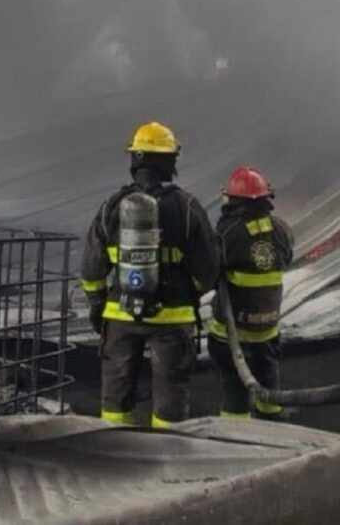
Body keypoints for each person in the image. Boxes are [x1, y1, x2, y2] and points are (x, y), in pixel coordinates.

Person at [81, 122, 219, 427]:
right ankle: (165, 460)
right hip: (172, 319)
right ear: (170, 161)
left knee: (115, 399)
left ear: (136, 160)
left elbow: (92, 266)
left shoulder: (112, 206)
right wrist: (188, 293)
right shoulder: (187, 207)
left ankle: (115, 455)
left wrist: (97, 304)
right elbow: (208, 270)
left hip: (120, 317)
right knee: (170, 401)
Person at [208, 167, 295, 419]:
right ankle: (273, 426)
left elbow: (211, 272)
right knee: (268, 380)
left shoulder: (227, 233)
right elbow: (286, 258)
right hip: (267, 328)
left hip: (231, 331)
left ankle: (235, 434)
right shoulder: (281, 229)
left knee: (234, 387)